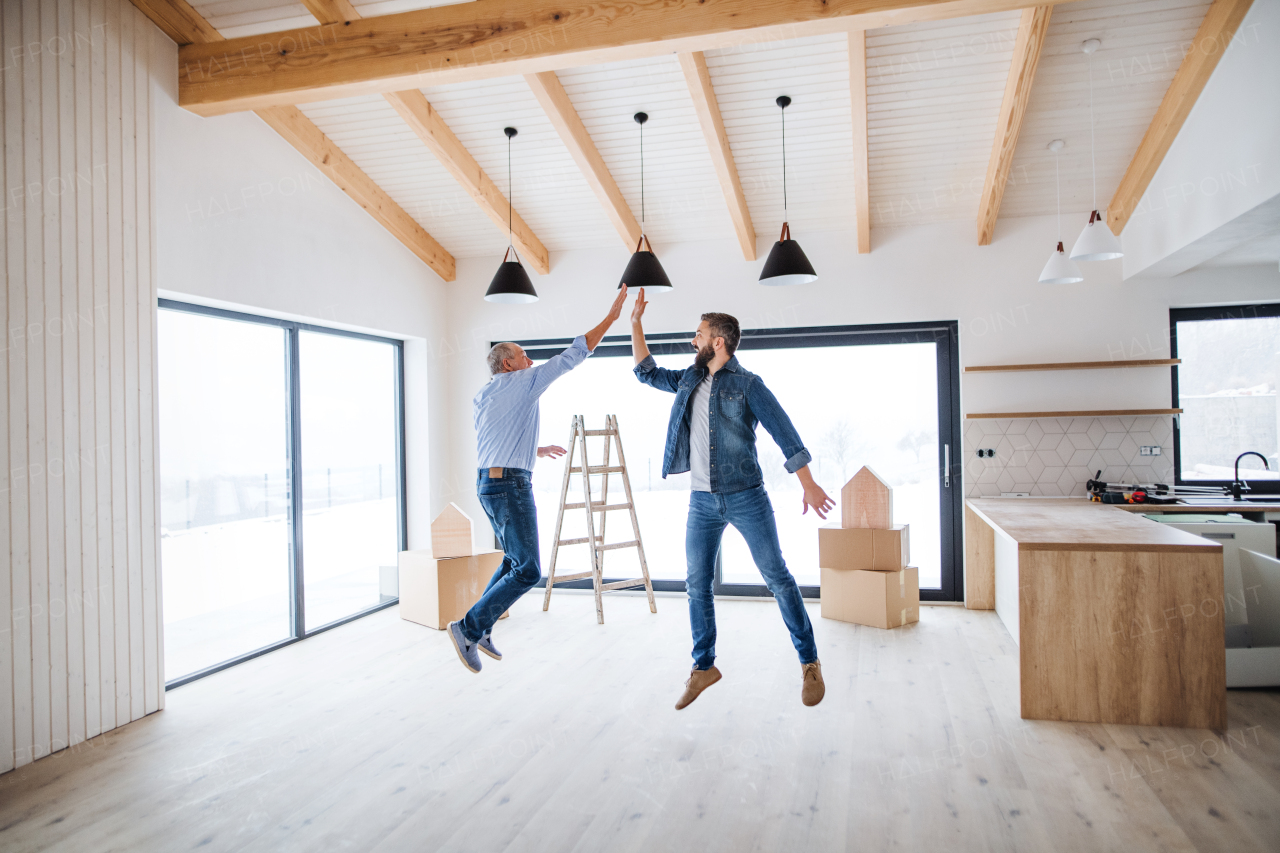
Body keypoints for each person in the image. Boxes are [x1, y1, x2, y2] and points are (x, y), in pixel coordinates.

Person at [629, 288, 835, 709]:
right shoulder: (689, 379)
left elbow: (785, 433)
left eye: (699, 335)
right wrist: (634, 324)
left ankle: (809, 662)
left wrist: (808, 484)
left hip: (746, 498)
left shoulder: (748, 385)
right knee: (696, 584)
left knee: (777, 577)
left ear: (717, 342)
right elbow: (646, 372)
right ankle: (703, 667)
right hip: (701, 502)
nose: (693, 341)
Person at [448, 286, 631, 673]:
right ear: (509, 365)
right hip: (511, 485)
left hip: (489, 483)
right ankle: (468, 627)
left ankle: (480, 627)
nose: (530, 360)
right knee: (529, 570)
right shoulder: (524, 382)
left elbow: (496, 441)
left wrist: (536, 450)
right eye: (523, 355)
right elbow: (572, 355)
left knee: (514, 559)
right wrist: (611, 318)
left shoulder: (485, 395)